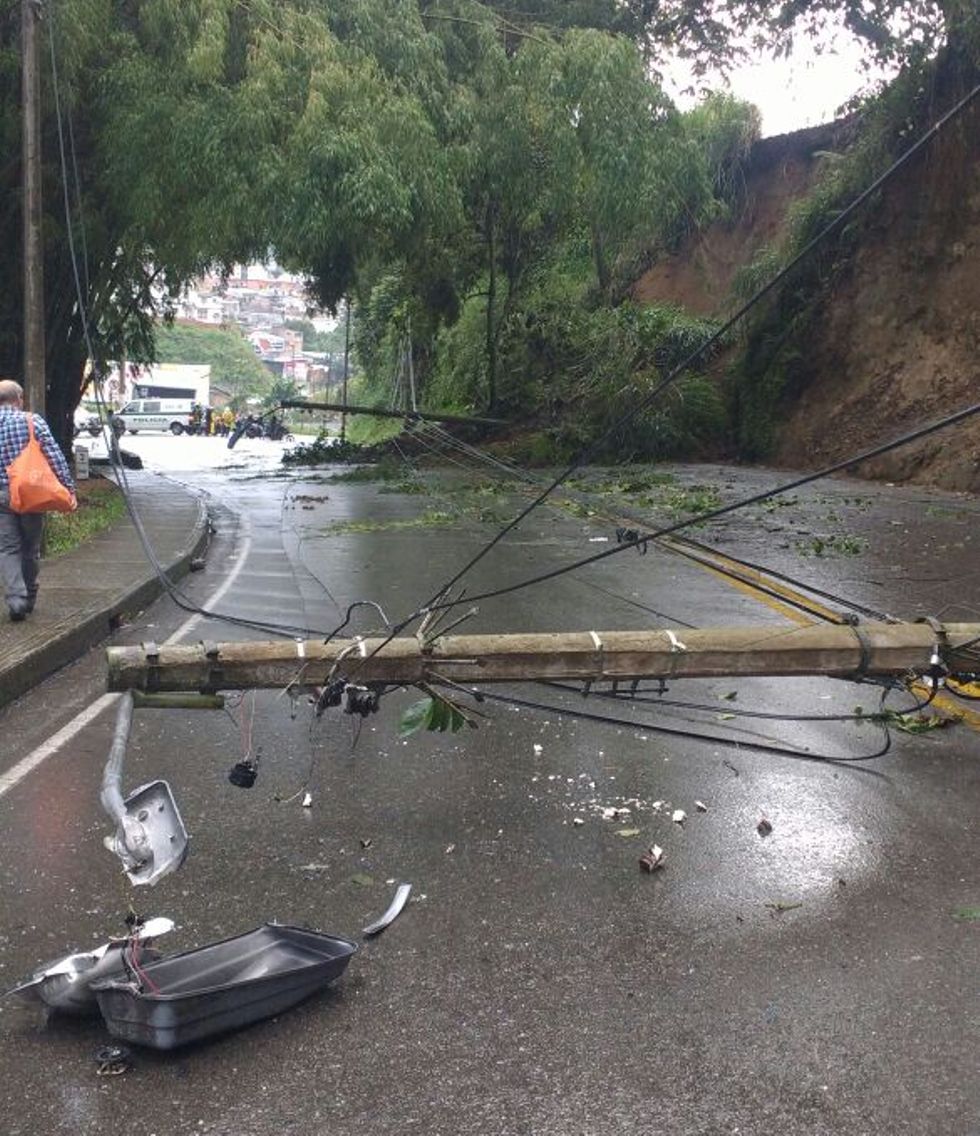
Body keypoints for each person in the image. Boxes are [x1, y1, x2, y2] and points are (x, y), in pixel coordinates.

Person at [0, 379, 76, 621]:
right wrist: (68, 488)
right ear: (18, 399)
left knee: (7, 547)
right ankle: (29, 596)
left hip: (1, 495)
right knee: (30, 549)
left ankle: (16, 599)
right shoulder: (31, 421)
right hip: (32, 493)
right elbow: (54, 456)